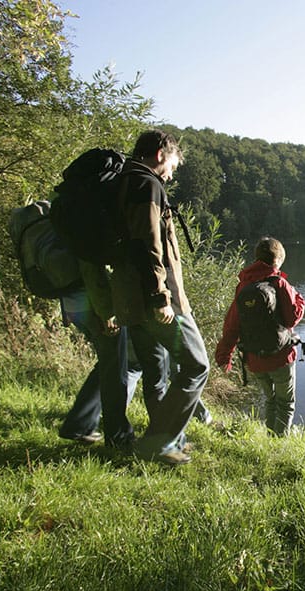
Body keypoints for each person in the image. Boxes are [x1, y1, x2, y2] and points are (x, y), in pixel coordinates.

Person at [109, 129, 209, 465]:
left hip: (128, 298)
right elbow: (148, 244)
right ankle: (159, 444)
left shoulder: (123, 182)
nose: (171, 173)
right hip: (153, 298)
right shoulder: (146, 184)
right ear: (160, 154)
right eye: (173, 166)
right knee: (197, 365)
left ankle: (169, 440)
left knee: (157, 372)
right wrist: (160, 296)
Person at [215, 237, 305, 435]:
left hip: (254, 359)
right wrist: (299, 299)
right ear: (278, 260)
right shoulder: (279, 283)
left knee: (270, 399)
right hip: (281, 357)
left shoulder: (243, 286)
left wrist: (224, 357)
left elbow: (231, 326)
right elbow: (292, 319)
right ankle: (278, 443)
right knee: (285, 402)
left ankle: (271, 436)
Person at [58, 261, 135, 449]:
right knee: (115, 369)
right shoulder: (86, 232)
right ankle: (118, 438)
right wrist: (107, 311)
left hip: (74, 303)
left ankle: (80, 424)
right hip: (96, 306)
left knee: (111, 363)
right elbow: (90, 265)